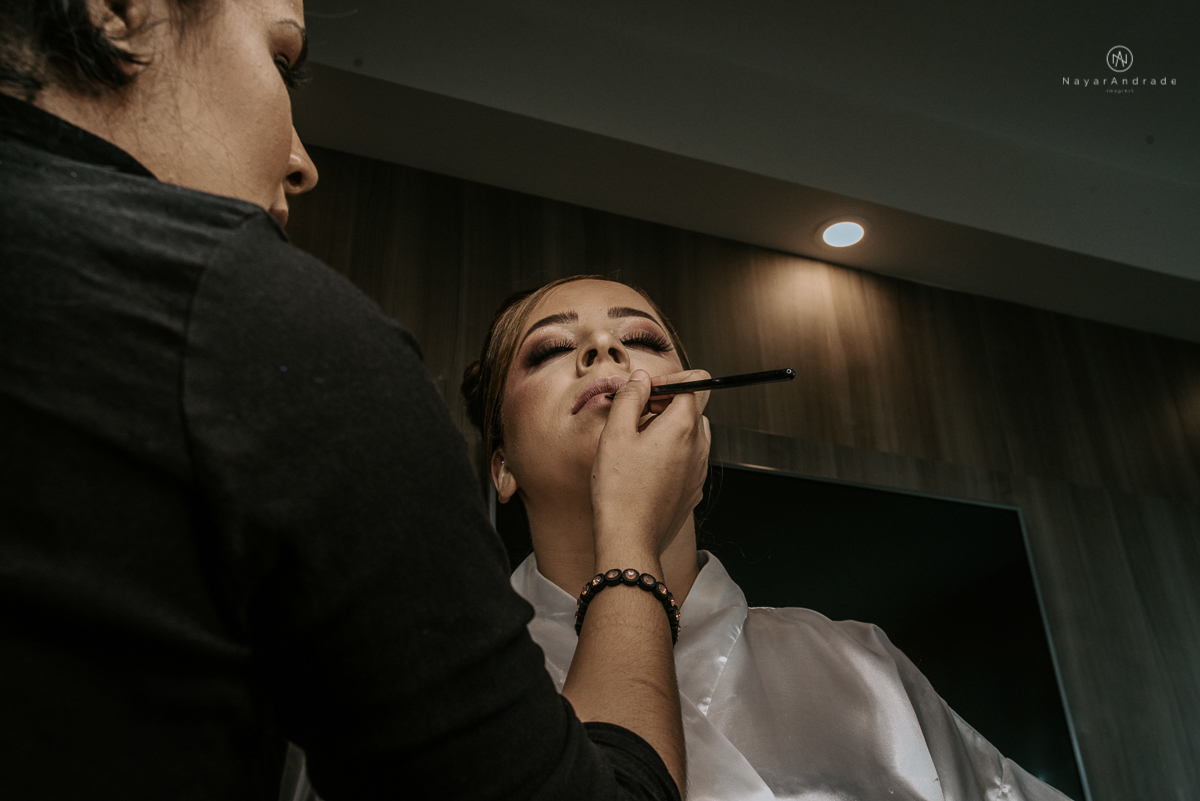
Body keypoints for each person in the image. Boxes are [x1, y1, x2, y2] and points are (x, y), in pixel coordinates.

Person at [0, 1, 712, 799]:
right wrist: (631, 548)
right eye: (282, 60)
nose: (302, 160)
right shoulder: (261, 324)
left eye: (642, 339)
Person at [461, 275, 1075, 801]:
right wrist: (628, 525)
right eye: (550, 349)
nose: (606, 346)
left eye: (643, 339)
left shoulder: (859, 666)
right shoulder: (465, 685)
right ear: (502, 466)